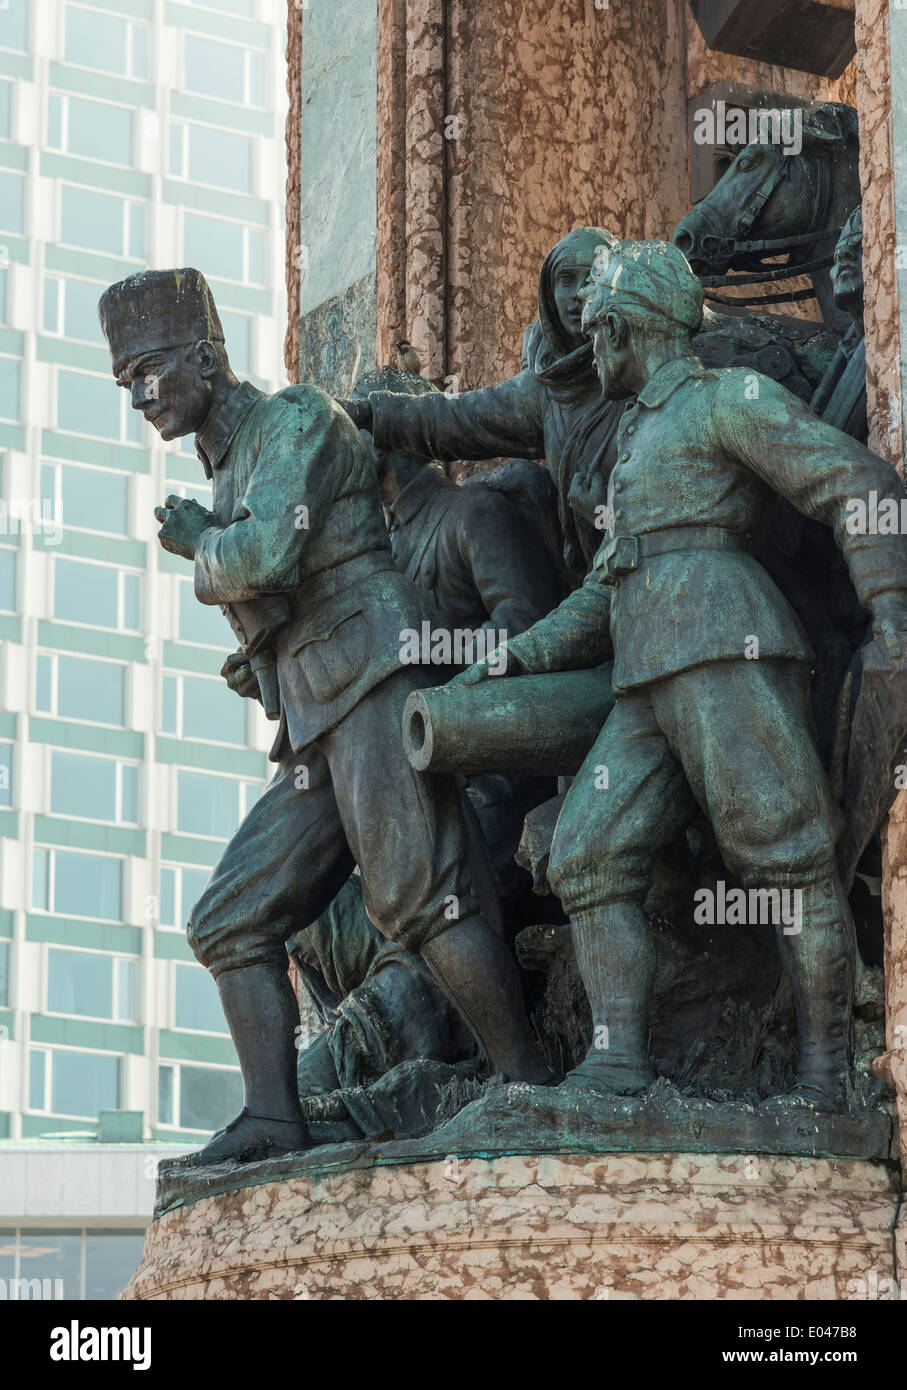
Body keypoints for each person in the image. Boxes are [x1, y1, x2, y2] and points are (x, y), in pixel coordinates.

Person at [98, 268, 551, 1166]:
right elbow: (271, 601)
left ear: (208, 355)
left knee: (420, 896)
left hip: (376, 675)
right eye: (125, 382)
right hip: (317, 712)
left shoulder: (296, 418)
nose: (141, 395)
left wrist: (200, 546)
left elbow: (267, 554)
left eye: (150, 369)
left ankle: (529, 1086)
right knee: (229, 919)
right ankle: (273, 1116)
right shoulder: (225, 467)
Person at [455, 239, 907, 1111]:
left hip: (721, 648)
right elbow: (604, 586)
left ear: (627, 331)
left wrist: (889, 604)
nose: (591, 354)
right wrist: (515, 657)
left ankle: (826, 1077)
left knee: (785, 856)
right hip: (645, 674)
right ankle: (617, 1066)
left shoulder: (722, 400)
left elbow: (853, 482)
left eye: (598, 336)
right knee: (586, 854)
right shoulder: (636, 433)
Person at [342, 227, 624, 580]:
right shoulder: (546, 386)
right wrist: (372, 413)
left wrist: (604, 512)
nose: (578, 295)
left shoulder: (639, 370)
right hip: (594, 578)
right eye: (566, 279)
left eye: (593, 277)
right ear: (549, 294)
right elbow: (457, 418)